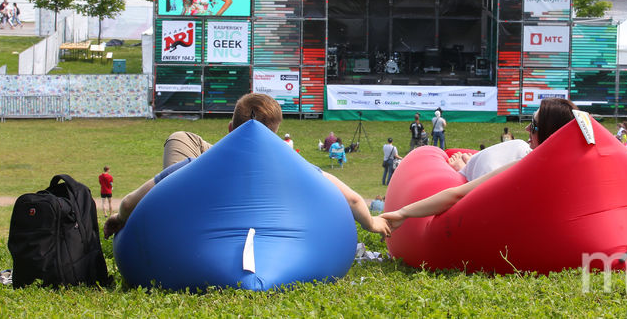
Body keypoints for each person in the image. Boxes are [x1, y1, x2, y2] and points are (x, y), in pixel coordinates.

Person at [104, 93, 391, 239]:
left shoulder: (189, 170)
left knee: (182, 138)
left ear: (230, 128)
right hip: (247, 178)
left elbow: (129, 204)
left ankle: (226, 148)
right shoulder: (297, 169)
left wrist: (119, 220)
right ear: (277, 137)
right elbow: (352, 198)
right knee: (188, 142)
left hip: (199, 188)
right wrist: (373, 223)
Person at [380, 98, 578, 228]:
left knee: (516, 146)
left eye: (533, 125)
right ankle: (468, 165)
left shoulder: (522, 166)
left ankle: (465, 168)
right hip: (490, 169)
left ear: (549, 133)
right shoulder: (570, 170)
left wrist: (403, 212)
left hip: (473, 183)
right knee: (517, 145)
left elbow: (458, 195)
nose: (527, 128)